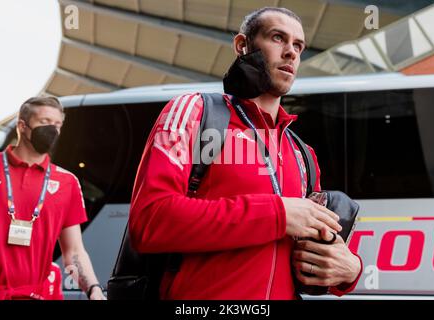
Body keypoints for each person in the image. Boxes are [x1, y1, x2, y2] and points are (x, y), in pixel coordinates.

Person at [129, 7, 362, 300]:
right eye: (278, 38)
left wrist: (350, 270)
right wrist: (277, 214)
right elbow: (150, 221)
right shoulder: (195, 111)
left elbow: (312, 257)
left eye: (298, 46)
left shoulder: (303, 153)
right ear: (242, 45)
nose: (291, 52)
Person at [0, 96, 105, 300]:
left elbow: (73, 251)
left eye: (57, 124)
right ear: (22, 126)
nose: (52, 130)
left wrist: (94, 289)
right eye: (44, 122)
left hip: (39, 295)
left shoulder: (67, 182)